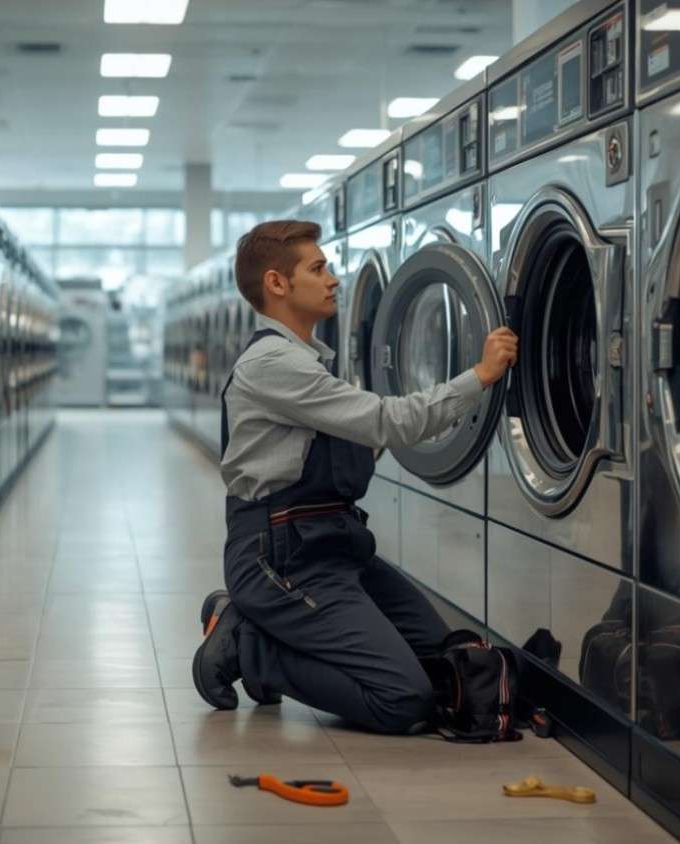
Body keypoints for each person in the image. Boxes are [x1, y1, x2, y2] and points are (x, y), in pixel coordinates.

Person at [191, 219, 518, 734]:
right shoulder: (275, 363)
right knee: (402, 698)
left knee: (439, 660)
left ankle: (274, 633)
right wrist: (478, 377)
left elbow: (363, 439)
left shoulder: (309, 362)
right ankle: (249, 643)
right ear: (277, 284)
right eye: (318, 268)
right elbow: (387, 421)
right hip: (279, 559)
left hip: (333, 544)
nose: (334, 278)